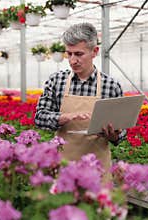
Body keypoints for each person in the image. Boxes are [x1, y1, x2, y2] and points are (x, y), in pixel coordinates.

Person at [34, 22, 126, 179]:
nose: (72, 60)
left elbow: (122, 132)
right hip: (63, 167)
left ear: (94, 51)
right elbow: (39, 118)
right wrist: (64, 117)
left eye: (78, 54)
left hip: (97, 171)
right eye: (69, 54)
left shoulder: (111, 86)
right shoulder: (56, 81)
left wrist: (113, 135)